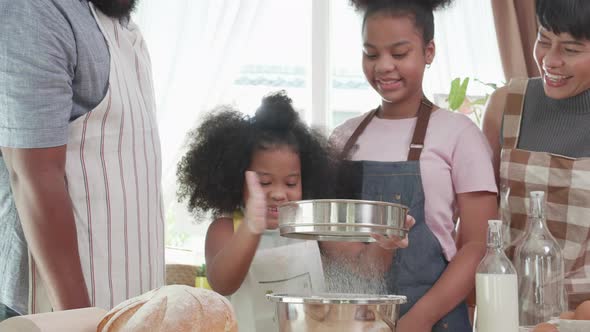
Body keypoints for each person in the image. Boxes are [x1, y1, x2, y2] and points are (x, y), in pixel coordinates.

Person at [177, 91, 411, 331]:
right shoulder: (225, 229)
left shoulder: (312, 224)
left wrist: (385, 243)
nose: (279, 193)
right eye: (265, 182)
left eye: (290, 183)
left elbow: (365, 269)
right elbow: (223, 283)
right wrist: (251, 227)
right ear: (237, 179)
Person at [329, 0, 498, 331]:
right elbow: (334, 244)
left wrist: (419, 319)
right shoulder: (343, 139)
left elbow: (479, 244)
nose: (383, 66)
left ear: (429, 51)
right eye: (372, 54)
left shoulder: (460, 134)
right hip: (355, 320)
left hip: (437, 320)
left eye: (399, 53)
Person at [0, 0, 164, 319]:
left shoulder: (120, 23)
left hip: (131, 302)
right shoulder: (36, 10)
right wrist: (77, 321)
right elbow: (33, 175)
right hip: (58, 314)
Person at [483, 0, 590, 310]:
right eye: (544, 40)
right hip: (507, 311)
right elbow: (480, 218)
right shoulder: (507, 104)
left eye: (570, 50)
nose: (550, 60)